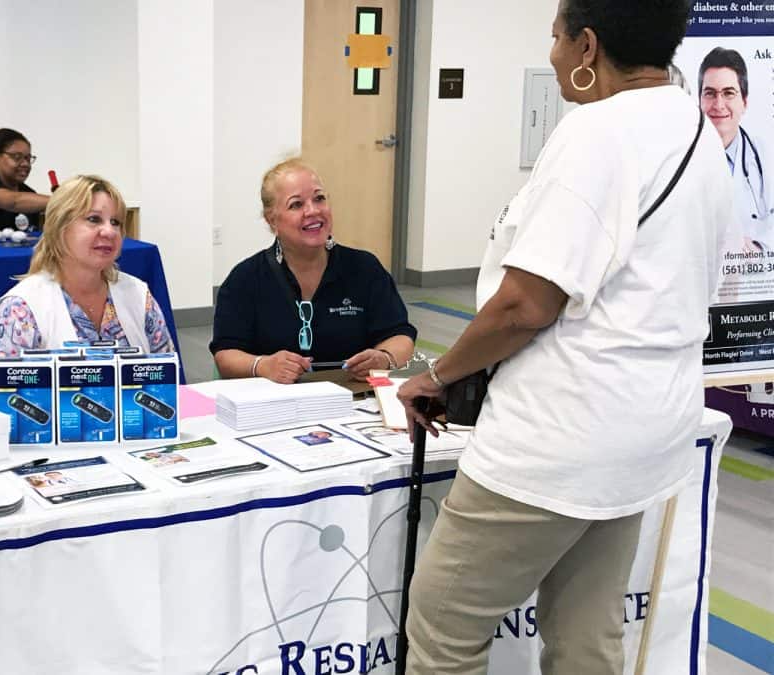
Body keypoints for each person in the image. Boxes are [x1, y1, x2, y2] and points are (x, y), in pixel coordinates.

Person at [396, 1, 731, 672]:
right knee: (586, 627)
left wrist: (436, 376)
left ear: (587, 45)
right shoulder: (696, 128)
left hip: (560, 437)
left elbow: (525, 304)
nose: (549, 53)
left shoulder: (598, 132)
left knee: (444, 624)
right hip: (646, 430)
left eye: (554, 37)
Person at [210, 158, 416, 384]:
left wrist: (384, 358)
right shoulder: (245, 278)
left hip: (352, 400)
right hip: (274, 403)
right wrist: (263, 365)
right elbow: (226, 354)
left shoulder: (364, 268)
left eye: (319, 199)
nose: (312, 211)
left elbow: (399, 335)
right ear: (272, 220)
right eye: (296, 204)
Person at [0, 175, 174, 391]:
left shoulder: (138, 294)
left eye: (115, 222)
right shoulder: (18, 309)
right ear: (60, 227)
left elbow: (166, 385)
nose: (109, 231)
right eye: (93, 219)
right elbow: (0, 407)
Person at [699, 47, 774, 250]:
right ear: (699, 100)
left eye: (728, 93)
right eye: (710, 94)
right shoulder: (678, 157)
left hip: (753, 277)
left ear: (744, 102)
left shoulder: (766, 155)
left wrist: (758, 247)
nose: (719, 104)